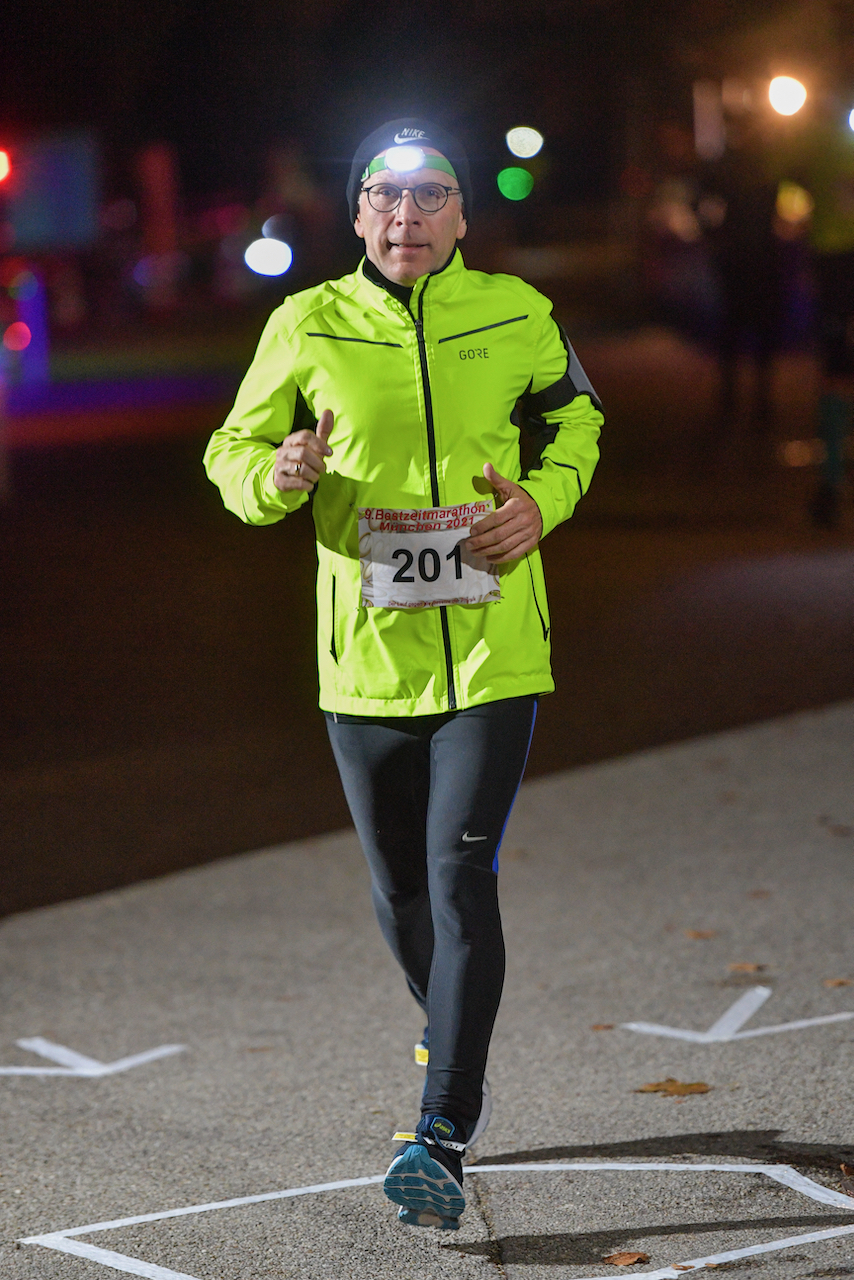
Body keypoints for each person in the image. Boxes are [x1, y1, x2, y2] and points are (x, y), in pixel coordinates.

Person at [203, 117, 602, 1230]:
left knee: (459, 871)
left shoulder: (516, 313)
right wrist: (277, 472)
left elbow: (578, 418)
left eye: (430, 196)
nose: (406, 215)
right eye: (385, 195)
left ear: (463, 213)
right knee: (397, 890)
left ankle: (439, 1126)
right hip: (365, 661)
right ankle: (456, 1027)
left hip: (491, 645)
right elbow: (229, 456)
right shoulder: (307, 321)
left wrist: (542, 500)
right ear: (357, 210)